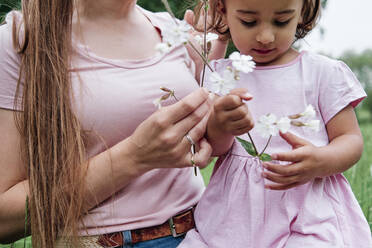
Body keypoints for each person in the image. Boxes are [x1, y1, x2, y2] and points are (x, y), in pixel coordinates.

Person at [0, 1, 227, 247]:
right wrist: (135, 157)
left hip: (197, 233)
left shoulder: (171, 28)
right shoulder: (23, 39)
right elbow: (4, 220)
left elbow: (195, 141)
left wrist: (214, 51)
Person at [178, 0, 372, 247]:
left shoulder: (322, 72)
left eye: (281, 21)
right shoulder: (220, 75)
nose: (266, 37)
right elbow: (214, 149)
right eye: (249, 21)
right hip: (235, 218)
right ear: (223, 11)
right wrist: (221, 124)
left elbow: (351, 140)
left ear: (302, 12)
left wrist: (321, 161)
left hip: (308, 215)